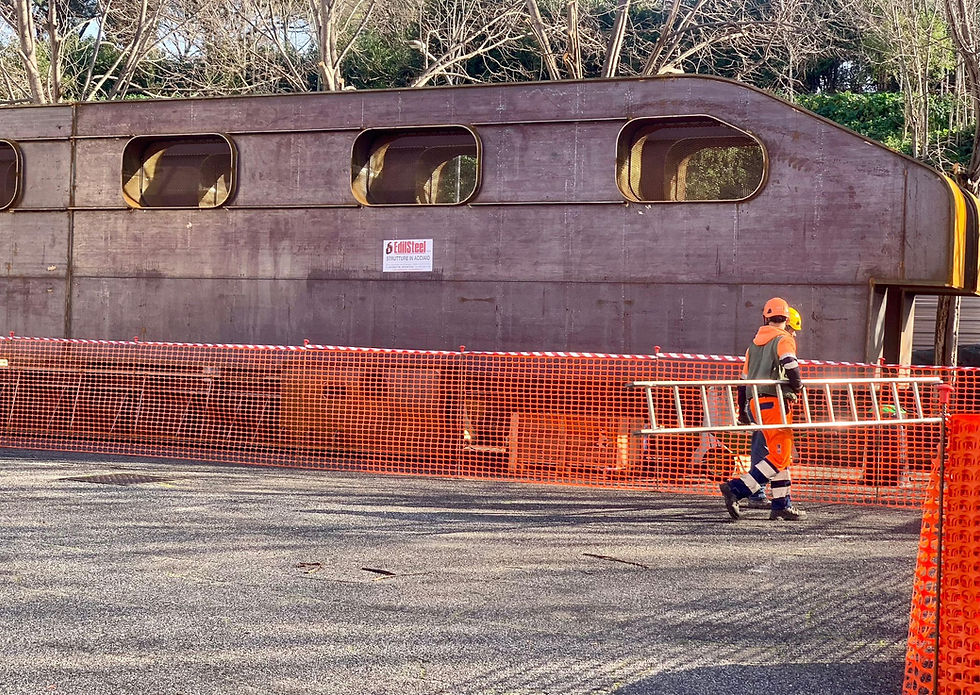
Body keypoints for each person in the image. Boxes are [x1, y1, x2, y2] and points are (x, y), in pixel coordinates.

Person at [720, 297, 808, 521]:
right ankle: (737, 489)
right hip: (774, 403)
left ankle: (781, 504)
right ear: (787, 318)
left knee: (781, 453)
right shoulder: (783, 339)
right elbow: (792, 367)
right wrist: (797, 386)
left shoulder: (753, 345)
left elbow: (743, 380)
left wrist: (742, 412)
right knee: (779, 457)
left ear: (765, 318)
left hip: (754, 403)